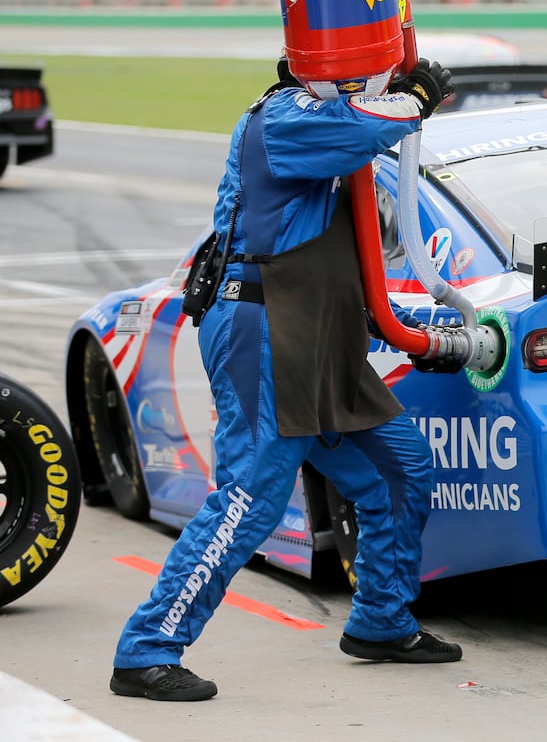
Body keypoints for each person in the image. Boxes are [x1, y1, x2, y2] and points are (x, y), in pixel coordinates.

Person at [110, 54, 465, 702]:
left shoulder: (328, 121)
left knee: (400, 468)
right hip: (264, 328)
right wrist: (413, 97)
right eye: (357, 71)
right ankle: (147, 649)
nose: (369, 82)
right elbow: (365, 128)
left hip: (318, 339)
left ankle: (381, 620)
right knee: (250, 500)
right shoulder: (282, 114)